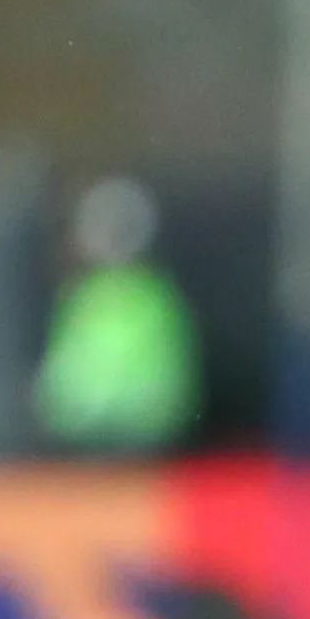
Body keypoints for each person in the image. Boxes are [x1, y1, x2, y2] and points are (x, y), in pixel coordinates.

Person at [32, 176, 202, 455]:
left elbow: (168, 394)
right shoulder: (86, 297)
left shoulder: (154, 300)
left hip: (147, 449)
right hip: (88, 447)